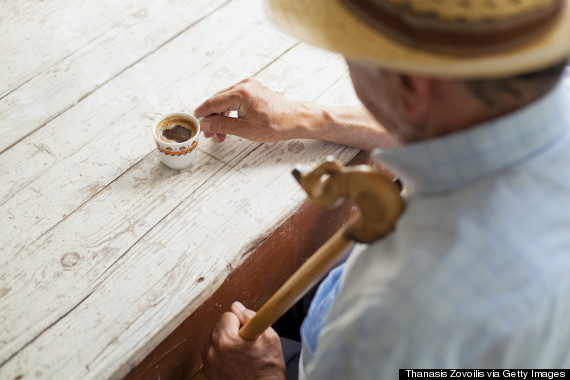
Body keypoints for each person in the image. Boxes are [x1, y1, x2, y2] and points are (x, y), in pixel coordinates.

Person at [197, 0, 570, 378]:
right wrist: (306, 118)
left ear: (411, 87)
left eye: (350, 50)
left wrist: (259, 374)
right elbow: (446, 116)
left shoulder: (391, 319)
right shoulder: (543, 90)